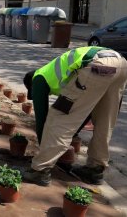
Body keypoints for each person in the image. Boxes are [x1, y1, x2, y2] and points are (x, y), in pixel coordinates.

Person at [22, 46, 127, 186]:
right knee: (104, 121)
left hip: (98, 66)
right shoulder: (53, 71)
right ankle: (95, 169)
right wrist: (71, 134)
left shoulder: (38, 79)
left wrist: (45, 147)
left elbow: (42, 119)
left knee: (58, 118)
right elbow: (85, 111)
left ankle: (39, 170)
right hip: (121, 65)